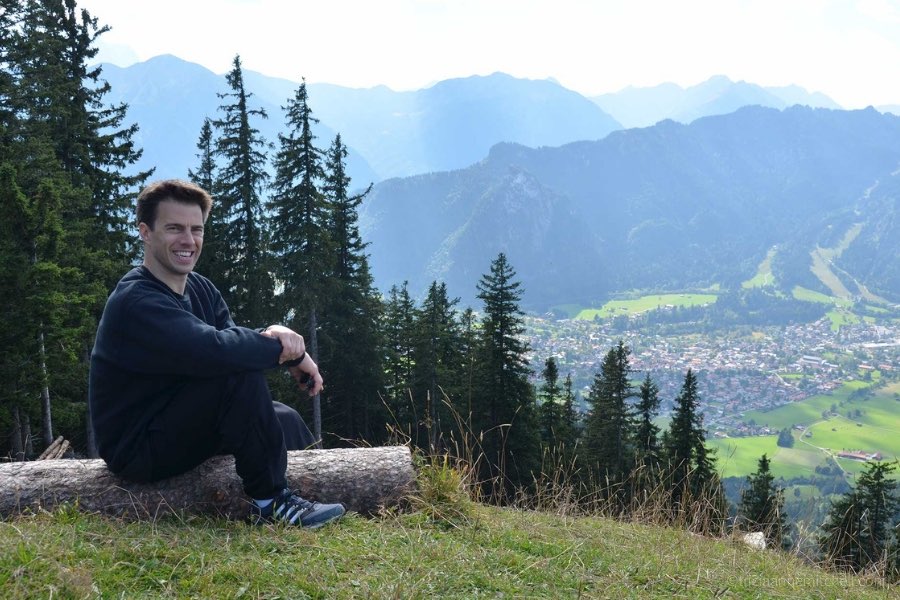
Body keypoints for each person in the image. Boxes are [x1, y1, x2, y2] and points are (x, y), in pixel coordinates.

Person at [89, 179, 344, 528]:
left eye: (196, 229)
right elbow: (219, 352)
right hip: (138, 446)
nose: (188, 240)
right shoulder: (136, 302)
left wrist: (275, 337)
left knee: (282, 417)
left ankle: (313, 490)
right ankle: (270, 503)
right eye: (174, 228)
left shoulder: (200, 288)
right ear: (145, 232)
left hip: (177, 419)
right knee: (235, 373)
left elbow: (227, 340)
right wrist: (288, 352)